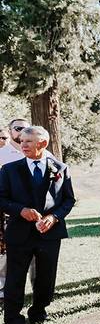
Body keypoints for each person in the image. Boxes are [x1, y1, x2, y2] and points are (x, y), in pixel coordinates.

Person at [0, 126, 76, 324]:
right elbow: (2, 199)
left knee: (46, 276)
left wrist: (54, 217)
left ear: (42, 143)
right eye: (21, 141)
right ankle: (13, 320)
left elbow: (69, 200)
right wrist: (20, 210)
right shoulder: (9, 169)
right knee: (15, 277)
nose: (22, 145)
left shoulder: (60, 168)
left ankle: (39, 312)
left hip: (49, 233)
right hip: (19, 233)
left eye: (28, 141)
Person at [0, 118, 30, 301]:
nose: (21, 132)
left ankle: (34, 288)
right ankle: (2, 288)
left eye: (26, 129)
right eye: (18, 128)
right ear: (11, 131)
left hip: (31, 211)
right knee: (4, 250)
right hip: (6, 209)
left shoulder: (39, 153)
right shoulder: (2, 154)